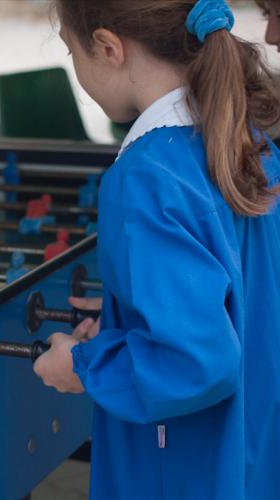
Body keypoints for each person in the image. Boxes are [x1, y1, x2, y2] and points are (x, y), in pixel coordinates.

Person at [33, 1, 280, 499]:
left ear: (108, 48)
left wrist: (83, 366)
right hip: (253, 451)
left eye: (71, 52)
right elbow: (243, 292)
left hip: (186, 469)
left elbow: (194, 361)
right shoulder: (250, 142)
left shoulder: (145, 176)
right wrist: (130, 311)